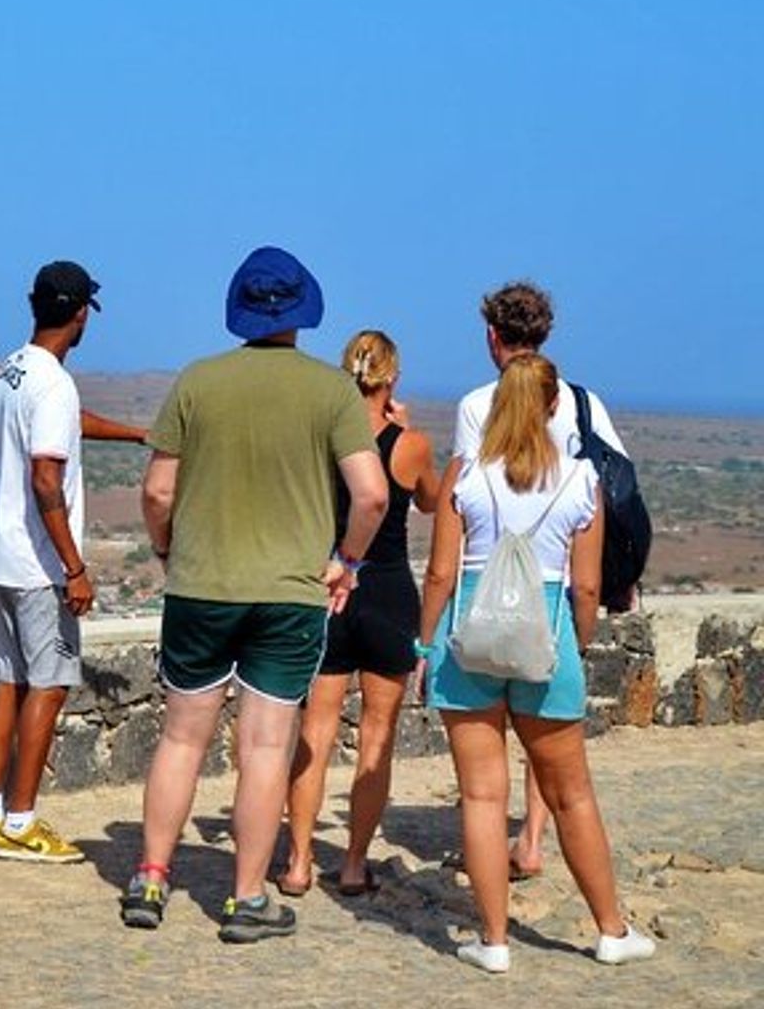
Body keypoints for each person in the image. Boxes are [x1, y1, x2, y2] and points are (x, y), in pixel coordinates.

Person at [126, 246, 388, 942]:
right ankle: (246, 899)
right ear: (303, 311)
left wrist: (166, 549)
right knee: (267, 747)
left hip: (201, 585)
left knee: (182, 736)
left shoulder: (197, 382)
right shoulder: (330, 393)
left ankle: (151, 876)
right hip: (291, 595)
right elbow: (372, 494)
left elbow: (156, 490)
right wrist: (347, 561)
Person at [419, 352, 655, 972]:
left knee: (480, 796)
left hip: (469, 641)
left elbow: (441, 572)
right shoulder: (581, 482)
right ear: (555, 407)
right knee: (572, 795)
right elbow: (585, 587)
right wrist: (574, 646)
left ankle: (493, 942)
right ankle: (611, 929)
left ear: (498, 406)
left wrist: (424, 646)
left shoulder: (465, 475)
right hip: (546, 643)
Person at [0, 260, 148, 864]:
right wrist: (74, 566)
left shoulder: (14, 368)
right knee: (49, 686)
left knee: (10, 678)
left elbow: (64, 427)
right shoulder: (53, 383)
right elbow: (47, 480)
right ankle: (21, 823)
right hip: (39, 565)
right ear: (80, 314)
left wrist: (139, 436)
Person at [450, 281, 629, 880]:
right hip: (557, 580)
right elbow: (616, 484)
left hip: (490, 584)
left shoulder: (478, 405)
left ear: (491, 337)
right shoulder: (583, 401)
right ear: (545, 335)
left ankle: (499, 875)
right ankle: (531, 836)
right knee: (546, 727)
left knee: (487, 740)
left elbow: (463, 497)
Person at [279, 331, 440, 897]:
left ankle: (297, 862)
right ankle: (352, 864)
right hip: (389, 592)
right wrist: (404, 422)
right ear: (390, 379)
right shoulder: (409, 444)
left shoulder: (322, 439)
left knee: (315, 733)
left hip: (329, 590)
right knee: (377, 737)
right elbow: (432, 499)